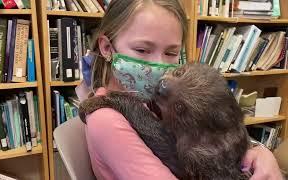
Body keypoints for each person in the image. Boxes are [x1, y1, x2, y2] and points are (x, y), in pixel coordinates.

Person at [75, 0, 283, 179]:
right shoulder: (106, 119)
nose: (160, 68)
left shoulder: (146, 99)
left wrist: (260, 153)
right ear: (107, 48)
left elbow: (219, 135)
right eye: (142, 49)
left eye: (171, 52)